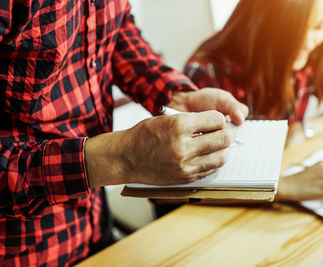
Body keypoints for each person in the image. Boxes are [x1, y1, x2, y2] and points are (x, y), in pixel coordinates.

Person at [0, 0, 248, 265]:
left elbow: (116, 32)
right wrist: (120, 159)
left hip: (95, 229)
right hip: (24, 251)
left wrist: (177, 95)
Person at [182, 0, 323, 203]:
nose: (307, 43)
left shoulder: (314, 56)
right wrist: (282, 188)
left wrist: (302, 130)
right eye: (296, 29)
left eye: (319, 27)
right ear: (261, 21)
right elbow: (180, 184)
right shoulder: (208, 73)